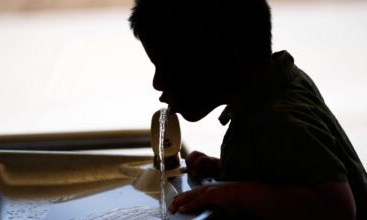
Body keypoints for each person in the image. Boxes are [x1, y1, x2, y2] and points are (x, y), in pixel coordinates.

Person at [129, 0, 367, 219]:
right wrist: (227, 172)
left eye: (165, 67)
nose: (157, 83)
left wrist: (233, 193)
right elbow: (288, 172)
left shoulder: (279, 117)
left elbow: (338, 207)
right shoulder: (276, 86)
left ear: (218, 60)